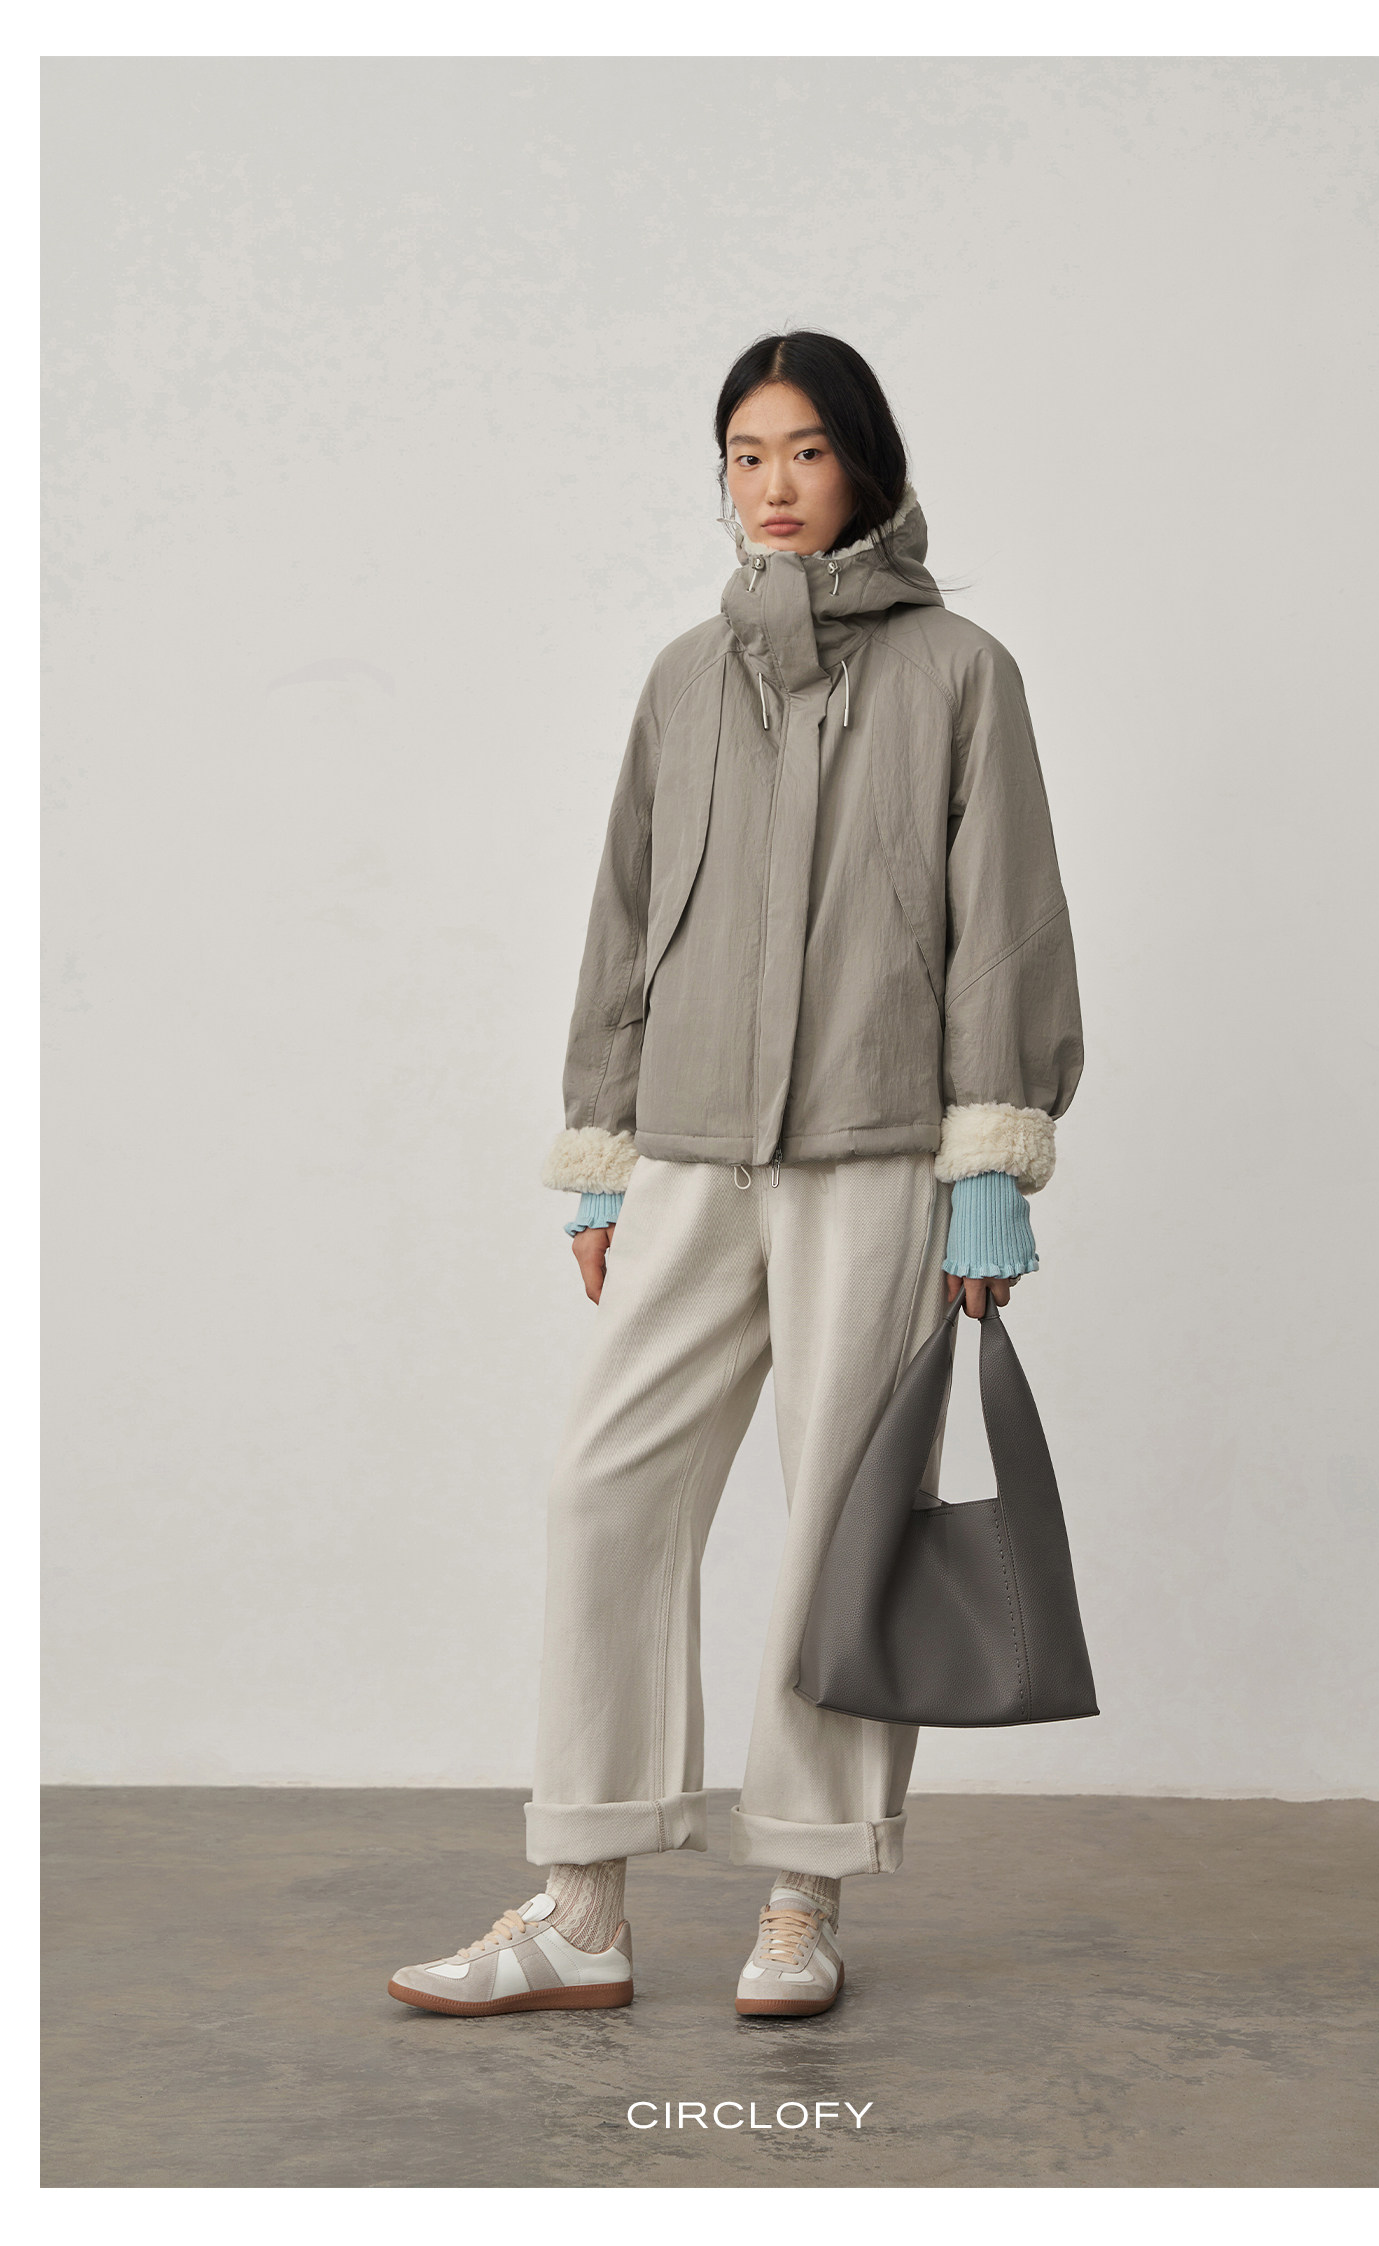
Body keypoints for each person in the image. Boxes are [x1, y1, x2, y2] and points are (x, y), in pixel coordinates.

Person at [387, 330, 1083, 2020]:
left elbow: (1005, 924)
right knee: (605, 1488)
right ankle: (584, 1902)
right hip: (696, 1150)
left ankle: (802, 1896)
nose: (774, 485)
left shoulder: (962, 673)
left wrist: (990, 1162)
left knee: (843, 1518)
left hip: (876, 1155)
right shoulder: (681, 679)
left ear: (867, 465)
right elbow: (625, 919)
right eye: (746, 455)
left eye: (807, 451)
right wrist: (601, 1151)